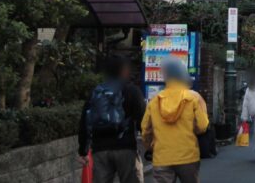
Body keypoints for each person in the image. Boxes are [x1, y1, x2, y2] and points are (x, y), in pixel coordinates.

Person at [78, 54, 146, 183]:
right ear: (124, 71)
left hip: (100, 150)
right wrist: (149, 144)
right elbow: (143, 120)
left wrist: (83, 150)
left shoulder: (96, 92)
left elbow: (85, 121)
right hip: (126, 148)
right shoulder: (132, 91)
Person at [141, 58, 209, 183]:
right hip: (188, 156)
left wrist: (150, 146)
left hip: (162, 157)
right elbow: (202, 126)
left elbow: (145, 130)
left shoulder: (154, 101)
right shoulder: (194, 98)